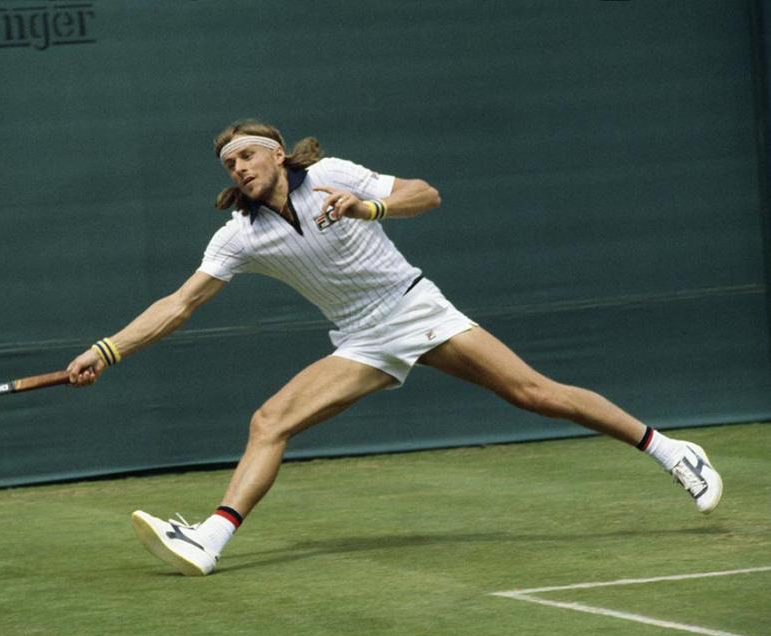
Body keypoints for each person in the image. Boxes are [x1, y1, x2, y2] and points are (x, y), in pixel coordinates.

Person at [66, 119, 722, 576]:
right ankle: (209, 540)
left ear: (273, 153)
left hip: (415, 305)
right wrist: (109, 348)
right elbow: (178, 303)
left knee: (534, 393)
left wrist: (368, 208)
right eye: (228, 163)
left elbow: (425, 194)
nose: (237, 167)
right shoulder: (239, 234)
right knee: (270, 419)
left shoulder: (330, 175)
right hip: (359, 338)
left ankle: (671, 450)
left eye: (245, 155)